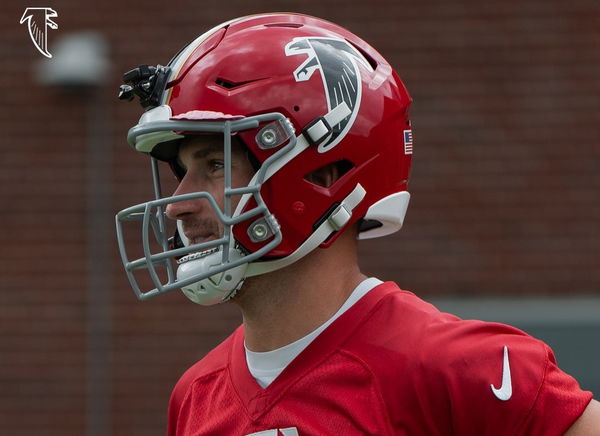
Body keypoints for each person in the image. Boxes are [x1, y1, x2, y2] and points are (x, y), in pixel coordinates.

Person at [115, 12, 600, 436]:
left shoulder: (462, 370)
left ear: (323, 173)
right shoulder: (195, 396)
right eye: (181, 173)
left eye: (214, 165)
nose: (177, 204)